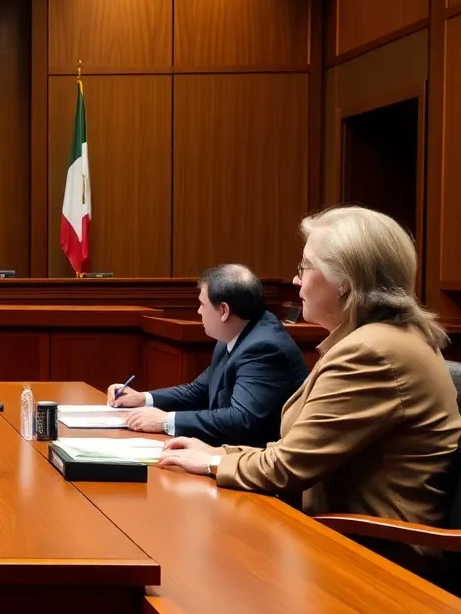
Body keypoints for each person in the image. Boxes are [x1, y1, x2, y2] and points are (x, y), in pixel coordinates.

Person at [158, 206, 461, 552]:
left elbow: (288, 467)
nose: (297, 279)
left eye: (305, 266)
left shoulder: (372, 352)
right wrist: (219, 452)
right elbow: (301, 450)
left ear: (343, 277)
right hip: (342, 534)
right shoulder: (375, 339)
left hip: (376, 555)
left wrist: (212, 462)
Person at [106, 264, 307, 446]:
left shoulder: (264, 348)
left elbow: (242, 420)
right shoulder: (235, 334)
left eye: (202, 303)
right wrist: (143, 398)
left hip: (257, 467)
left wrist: (165, 421)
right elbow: (198, 391)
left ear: (224, 311)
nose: (199, 310)